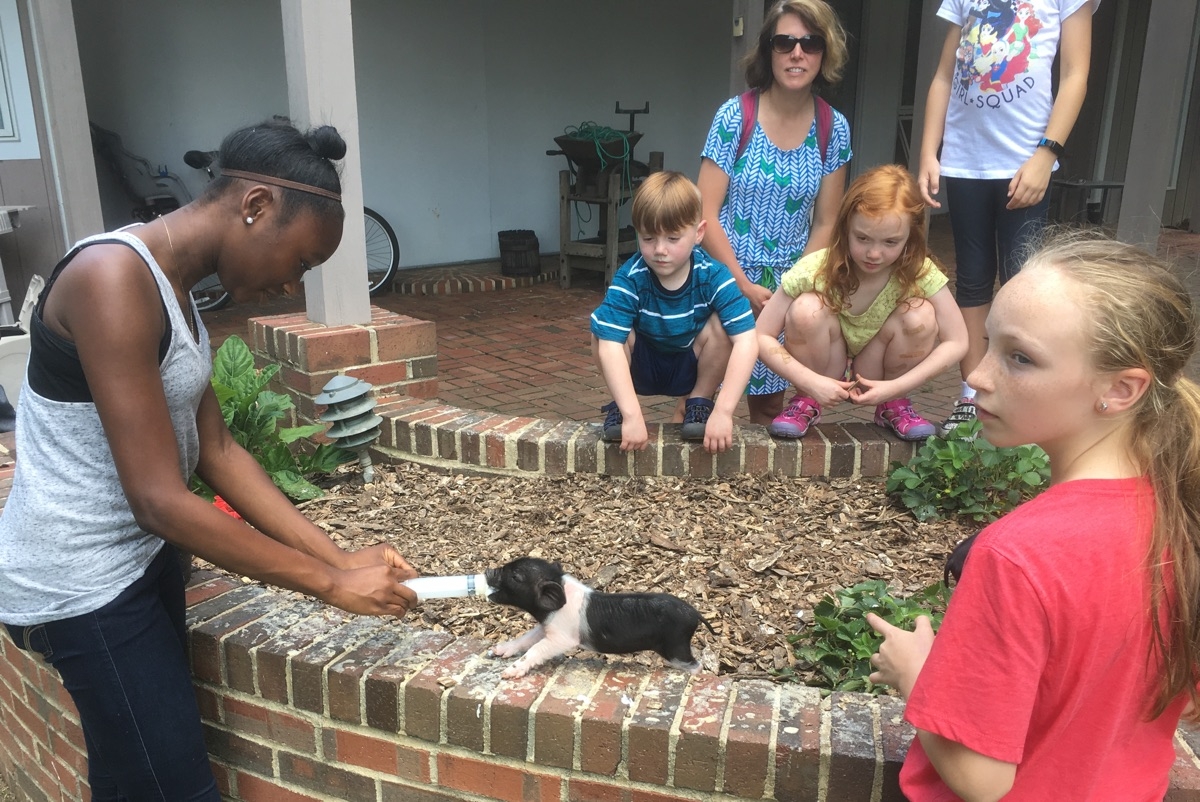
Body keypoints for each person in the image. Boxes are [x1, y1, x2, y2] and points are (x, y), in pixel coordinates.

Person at [0, 120, 419, 801]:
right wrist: (325, 583)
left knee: (136, 776)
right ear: (255, 207)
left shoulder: (174, 288)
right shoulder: (112, 278)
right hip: (78, 585)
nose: (292, 283)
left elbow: (220, 453)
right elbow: (160, 498)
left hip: (135, 562)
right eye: (302, 261)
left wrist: (338, 557)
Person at [866, 232, 1200, 800]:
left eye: (1019, 358)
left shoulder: (1018, 555)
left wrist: (917, 675)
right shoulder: (1180, 511)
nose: (978, 376)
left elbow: (982, 779)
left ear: (1122, 389)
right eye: (989, 343)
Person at [918, 0, 1096, 436]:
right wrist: (928, 151)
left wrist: (1046, 153)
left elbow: (1076, 74)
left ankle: (1023, 402)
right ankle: (972, 396)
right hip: (964, 162)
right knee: (973, 280)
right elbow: (943, 77)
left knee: (1024, 282)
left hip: (1024, 164)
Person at [698, 0, 852, 426]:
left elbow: (827, 222)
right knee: (700, 397)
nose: (797, 53)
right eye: (785, 42)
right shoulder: (735, 116)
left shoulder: (832, 128)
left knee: (768, 408)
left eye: (810, 43)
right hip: (724, 277)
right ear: (768, 49)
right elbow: (705, 211)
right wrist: (741, 283)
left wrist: (789, 289)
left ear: (825, 53)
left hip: (789, 282)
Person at [755, 164, 968, 440]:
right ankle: (807, 400)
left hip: (878, 368)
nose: (874, 253)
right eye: (863, 238)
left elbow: (958, 341)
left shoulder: (919, 272)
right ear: (846, 228)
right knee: (806, 309)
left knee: (921, 316)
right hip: (824, 363)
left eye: (891, 242)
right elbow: (760, 334)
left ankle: (894, 404)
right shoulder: (815, 269)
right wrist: (809, 382)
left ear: (910, 236)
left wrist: (896, 387)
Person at [590, 171, 758, 454]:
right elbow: (609, 345)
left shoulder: (714, 275)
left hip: (689, 364)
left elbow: (747, 340)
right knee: (604, 331)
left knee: (725, 328)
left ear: (698, 233)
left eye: (672, 238)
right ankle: (621, 407)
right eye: (648, 238)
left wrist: (725, 412)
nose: (659, 250)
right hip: (642, 365)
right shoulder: (631, 277)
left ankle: (700, 404)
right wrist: (633, 415)